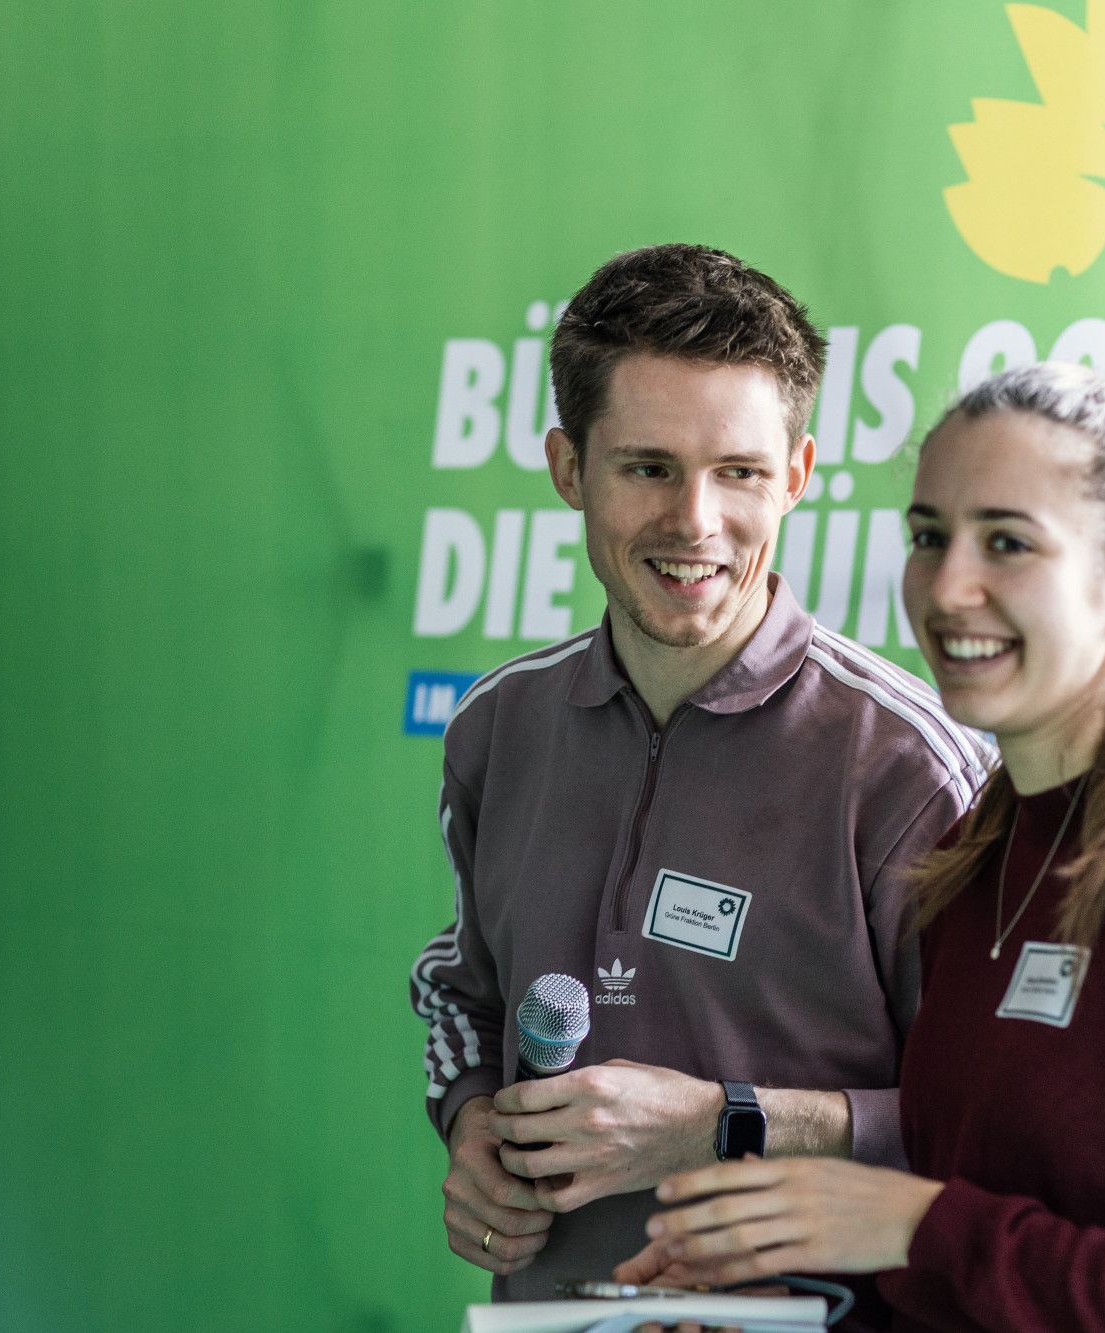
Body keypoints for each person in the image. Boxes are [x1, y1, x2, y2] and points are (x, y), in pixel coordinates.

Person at [617, 363, 1105, 1330]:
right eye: (931, 536)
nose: (949, 585)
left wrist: (923, 1226)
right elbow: (973, 1273)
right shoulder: (976, 856)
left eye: (1007, 542)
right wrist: (801, 1304)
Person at [408, 244, 987, 1302]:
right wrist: (471, 1118)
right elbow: (458, 993)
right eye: (647, 467)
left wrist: (719, 1125)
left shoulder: (911, 770)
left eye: (739, 473)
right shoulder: (496, 728)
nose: (695, 522)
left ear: (798, 477)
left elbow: (996, 1122)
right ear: (567, 467)